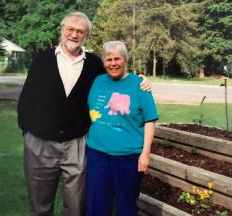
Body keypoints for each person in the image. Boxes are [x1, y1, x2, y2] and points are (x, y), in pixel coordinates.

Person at [17, 12, 151, 216]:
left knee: (76, 205)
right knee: (40, 204)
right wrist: (28, 133)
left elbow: (116, 74)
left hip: (76, 145)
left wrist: (141, 79)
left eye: (80, 31)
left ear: (86, 35)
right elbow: (26, 99)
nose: (74, 34)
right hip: (39, 143)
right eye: (70, 29)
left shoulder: (94, 64)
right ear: (62, 29)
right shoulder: (43, 58)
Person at [85, 41, 158, 216]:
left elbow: (150, 120)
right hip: (97, 153)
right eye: (109, 59)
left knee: (126, 202)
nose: (113, 63)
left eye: (117, 58)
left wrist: (145, 153)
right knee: (96, 201)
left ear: (125, 60)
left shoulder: (139, 85)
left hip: (128, 156)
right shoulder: (98, 81)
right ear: (103, 62)